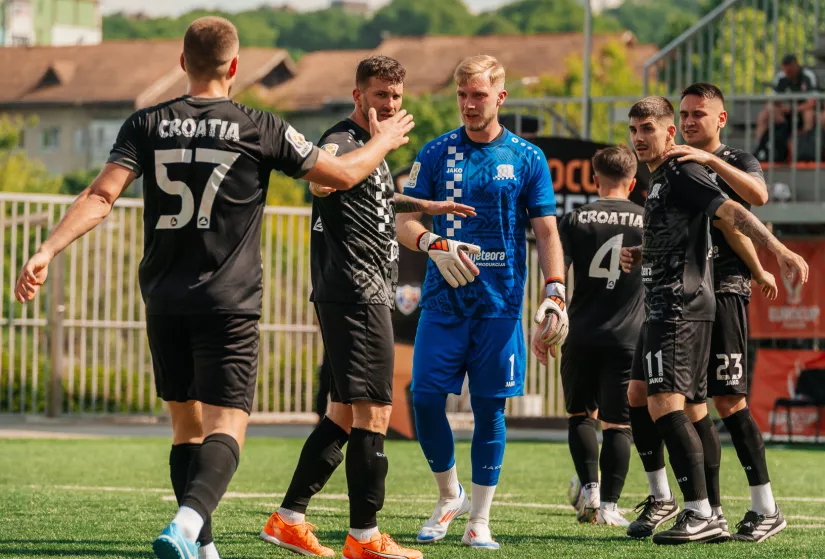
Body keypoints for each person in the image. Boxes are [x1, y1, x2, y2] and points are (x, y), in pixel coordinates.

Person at [13, 17, 414, 559]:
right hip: (228, 302)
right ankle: (186, 523)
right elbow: (339, 176)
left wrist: (47, 248)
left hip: (163, 298)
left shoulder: (146, 123)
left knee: (186, 427)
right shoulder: (258, 125)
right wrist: (386, 138)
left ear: (182, 63)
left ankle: (204, 548)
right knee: (227, 427)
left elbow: (101, 196)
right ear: (234, 67)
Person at [259, 55, 473, 559]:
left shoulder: (371, 150)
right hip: (356, 292)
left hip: (358, 290)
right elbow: (324, 177)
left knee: (341, 413)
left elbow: (370, 195)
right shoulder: (344, 140)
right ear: (359, 96)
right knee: (375, 413)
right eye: (381, 96)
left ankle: (288, 518)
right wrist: (361, 157)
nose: (391, 106)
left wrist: (427, 207)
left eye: (397, 98)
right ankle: (365, 537)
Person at [617, 96, 808, 545]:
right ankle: (700, 506)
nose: (688, 122)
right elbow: (696, 232)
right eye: (682, 115)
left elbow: (741, 211)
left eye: (695, 115)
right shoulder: (667, 173)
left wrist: (771, 257)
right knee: (657, 396)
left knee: (720, 403)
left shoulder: (706, 165)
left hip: (715, 294)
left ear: (720, 118)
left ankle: (746, 506)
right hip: (679, 294)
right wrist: (645, 252)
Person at [396, 54, 567, 550]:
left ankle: (480, 520)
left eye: (478, 96)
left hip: (500, 305)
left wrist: (554, 288)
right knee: (425, 399)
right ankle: (450, 495)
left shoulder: (528, 158)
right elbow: (405, 220)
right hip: (443, 302)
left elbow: (547, 231)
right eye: (462, 96)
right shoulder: (434, 153)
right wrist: (433, 243)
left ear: (500, 97)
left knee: (490, 410)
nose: (469, 105)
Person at [558, 145, 644, 527]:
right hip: (628, 336)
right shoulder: (648, 219)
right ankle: (609, 505)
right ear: (634, 182)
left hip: (581, 333)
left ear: (595, 179)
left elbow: (557, 275)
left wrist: (548, 323)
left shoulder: (575, 219)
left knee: (580, 416)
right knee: (618, 425)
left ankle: (589, 490)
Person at [754, 55, 818, 161]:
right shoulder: (781, 77)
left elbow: (813, 101)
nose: (788, 74)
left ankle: (805, 151)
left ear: (796, 65)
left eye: (790, 70)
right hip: (785, 114)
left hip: (802, 111)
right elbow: (773, 100)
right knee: (764, 114)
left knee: (809, 113)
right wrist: (780, 108)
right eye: (786, 71)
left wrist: (793, 109)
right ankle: (762, 149)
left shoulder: (808, 75)